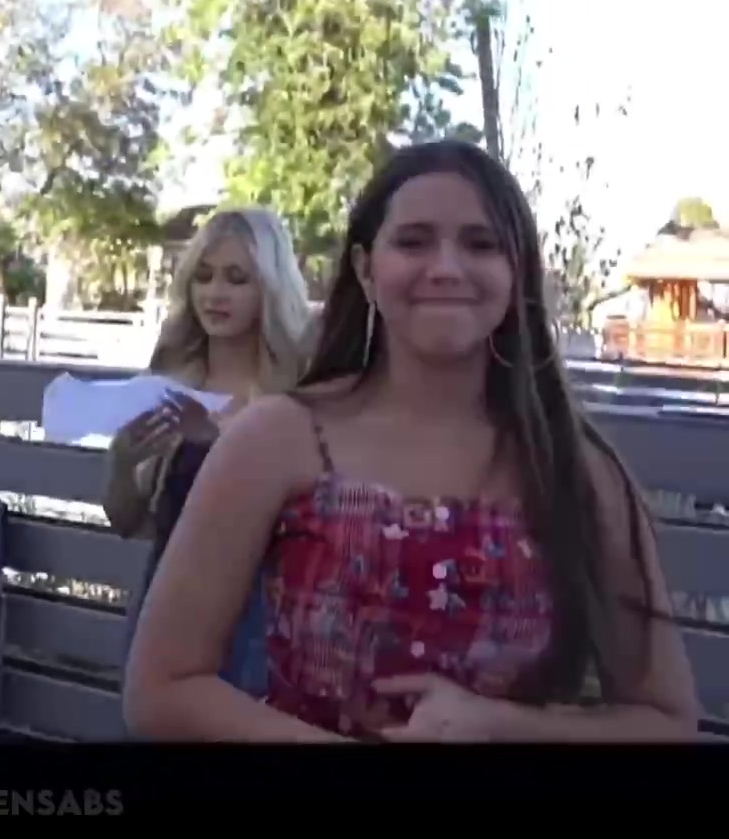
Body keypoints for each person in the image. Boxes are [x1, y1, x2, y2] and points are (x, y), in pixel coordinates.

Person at [122, 139, 700, 741]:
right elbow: (162, 689)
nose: (446, 267)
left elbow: (666, 720)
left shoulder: (574, 468)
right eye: (413, 241)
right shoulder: (275, 439)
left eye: (481, 244)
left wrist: (497, 725)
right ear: (366, 269)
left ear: (517, 273)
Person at [101, 208, 316, 694]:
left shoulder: (297, 390)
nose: (215, 293)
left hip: (263, 625)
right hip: (164, 612)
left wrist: (220, 445)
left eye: (237, 279)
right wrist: (125, 463)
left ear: (270, 287)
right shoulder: (169, 380)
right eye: (203, 276)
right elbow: (123, 520)